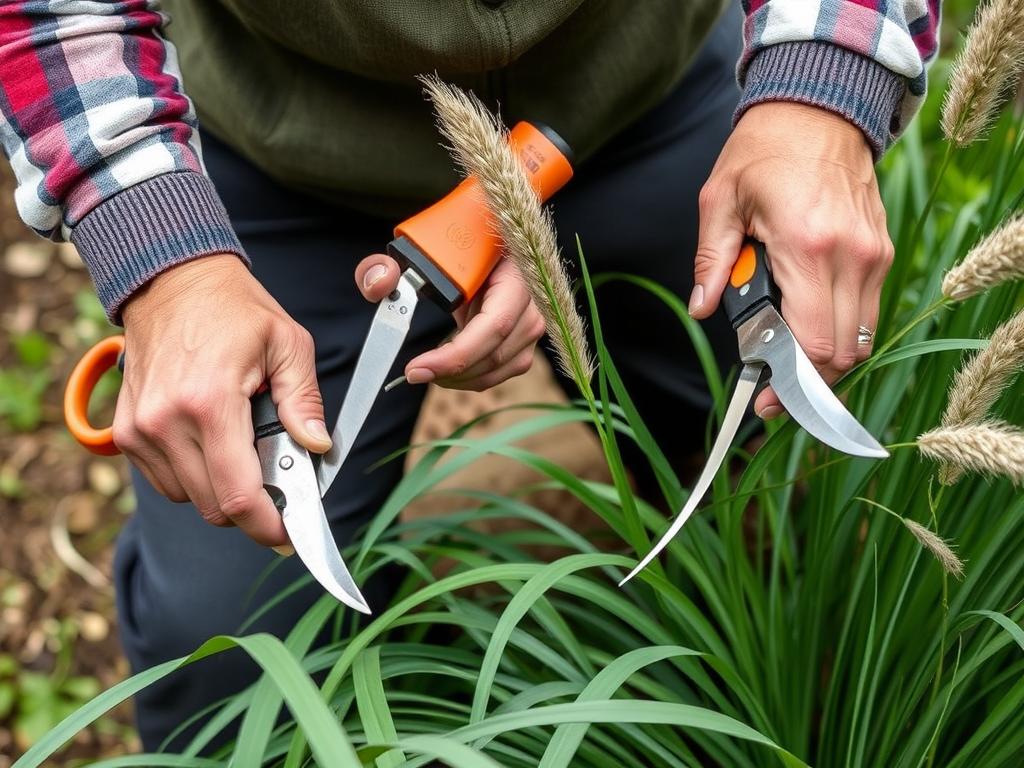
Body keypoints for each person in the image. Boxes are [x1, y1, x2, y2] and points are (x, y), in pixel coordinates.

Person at [0, 0, 939, 750]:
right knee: (225, 649)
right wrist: (162, 255)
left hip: (651, 103)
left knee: (741, 443)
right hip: (272, 169)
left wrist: (821, 88)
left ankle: (741, 625)